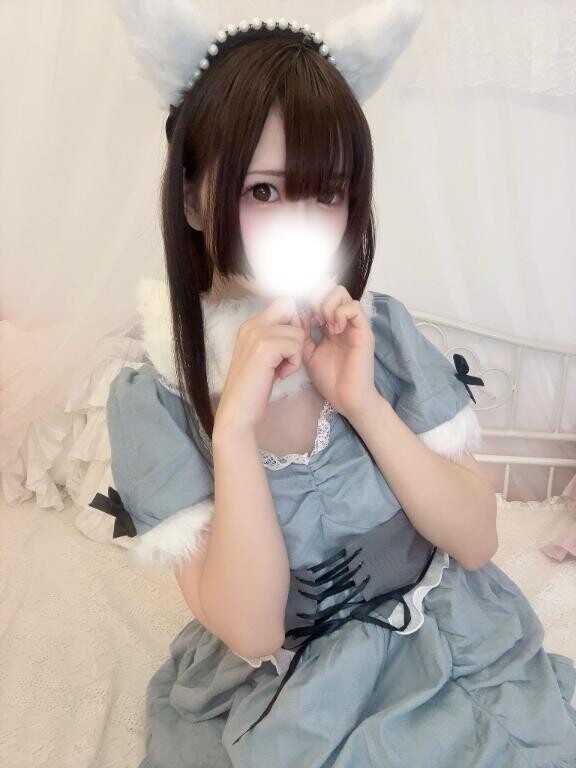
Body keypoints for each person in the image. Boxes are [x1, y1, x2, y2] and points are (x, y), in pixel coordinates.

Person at [96, 5, 576, 766]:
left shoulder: (375, 334)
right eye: (262, 191)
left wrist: (363, 403)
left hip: (447, 637)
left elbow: (477, 541)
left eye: (328, 193)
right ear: (191, 199)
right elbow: (254, 631)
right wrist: (235, 432)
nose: (303, 222)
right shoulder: (155, 398)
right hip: (286, 683)